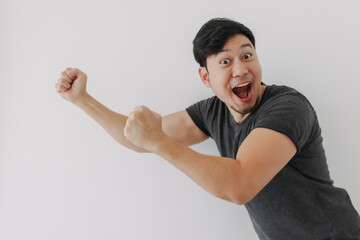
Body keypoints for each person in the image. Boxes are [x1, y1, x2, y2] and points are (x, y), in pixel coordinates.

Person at [55, 18, 360, 239]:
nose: (241, 69)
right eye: (225, 62)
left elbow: (239, 184)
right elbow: (138, 137)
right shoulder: (211, 111)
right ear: (205, 76)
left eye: (247, 55)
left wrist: (159, 141)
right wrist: (83, 100)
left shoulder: (288, 107)